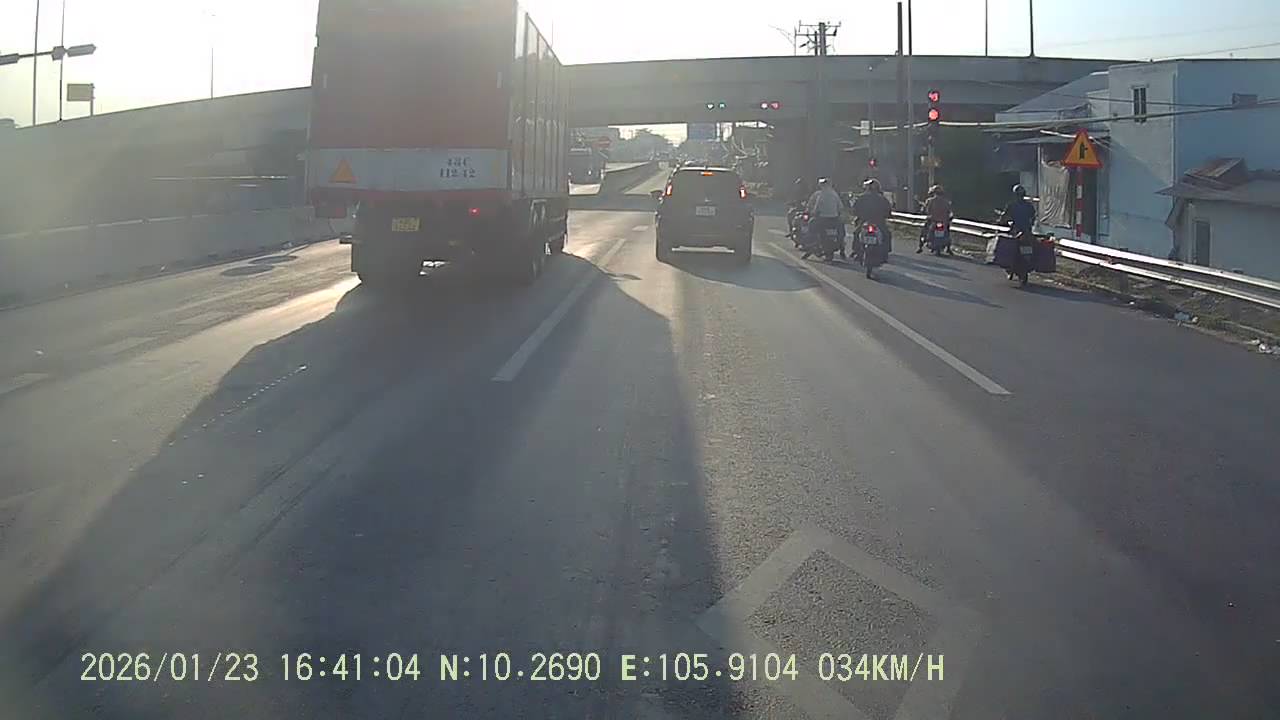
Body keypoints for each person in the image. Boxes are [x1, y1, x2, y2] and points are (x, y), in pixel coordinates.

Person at [1000, 184, 1037, 279]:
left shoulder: (1011, 205)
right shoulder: (1028, 206)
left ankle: (1012, 266)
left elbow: (1004, 217)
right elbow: (1033, 217)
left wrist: (1002, 221)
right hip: (1026, 232)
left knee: (1007, 246)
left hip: (1016, 231)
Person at [851, 178, 894, 258]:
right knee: (886, 234)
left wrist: (858, 215)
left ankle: (856, 250)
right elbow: (888, 211)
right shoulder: (882, 198)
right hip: (878, 221)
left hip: (865, 220)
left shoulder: (862, 197)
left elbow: (855, 209)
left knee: (856, 233)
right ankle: (885, 252)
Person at [804, 178, 844, 259]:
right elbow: (840, 207)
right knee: (841, 231)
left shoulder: (821, 195)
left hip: (823, 219)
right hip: (834, 219)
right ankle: (842, 247)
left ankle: (811, 244)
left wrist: (813, 213)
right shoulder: (834, 194)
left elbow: (817, 207)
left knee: (811, 224)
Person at [918, 185, 954, 254]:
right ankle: (948, 248)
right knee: (947, 233)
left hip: (932, 220)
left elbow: (926, 210)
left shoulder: (930, 201)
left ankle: (920, 246)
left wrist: (924, 211)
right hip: (943, 221)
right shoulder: (946, 202)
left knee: (924, 232)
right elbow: (949, 212)